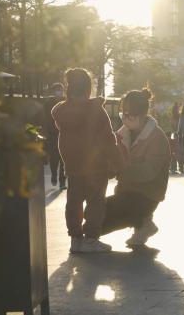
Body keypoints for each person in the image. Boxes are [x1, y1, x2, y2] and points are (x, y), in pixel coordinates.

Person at [51, 68, 122, 253]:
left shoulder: (62, 112)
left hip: (73, 165)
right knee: (95, 203)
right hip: (96, 166)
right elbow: (108, 139)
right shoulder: (96, 111)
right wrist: (118, 162)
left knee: (74, 202)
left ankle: (75, 239)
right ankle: (91, 240)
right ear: (88, 88)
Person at [101, 88, 171, 247]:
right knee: (93, 214)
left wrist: (122, 169)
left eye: (130, 115)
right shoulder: (122, 134)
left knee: (109, 216)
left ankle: (143, 221)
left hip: (147, 194)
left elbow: (149, 172)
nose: (126, 119)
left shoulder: (156, 137)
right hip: (125, 192)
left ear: (143, 114)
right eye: (123, 114)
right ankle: (141, 222)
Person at [44, 82, 66, 189]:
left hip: (64, 133)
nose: (59, 92)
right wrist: (46, 132)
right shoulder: (48, 103)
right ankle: (54, 174)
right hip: (52, 134)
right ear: (53, 91)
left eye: (61, 90)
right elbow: (46, 119)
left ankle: (62, 181)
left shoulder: (66, 101)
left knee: (64, 159)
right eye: (57, 90)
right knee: (54, 157)